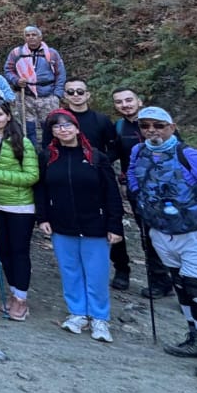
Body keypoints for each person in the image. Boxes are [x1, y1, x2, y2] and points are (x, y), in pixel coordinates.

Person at [126, 106, 197, 382]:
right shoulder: (138, 152)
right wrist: (140, 200)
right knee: (180, 286)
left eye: (158, 125)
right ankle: (194, 338)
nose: (151, 131)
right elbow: (132, 176)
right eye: (145, 126)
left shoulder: (188, 155)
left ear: (172, 127)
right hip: (162, 232)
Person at [37, 110, 123, 343]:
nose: (62, 129)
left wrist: (115, 225)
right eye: (57, 126)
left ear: (76, 128)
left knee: (97, 272)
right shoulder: (48, 157)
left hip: (95, 224)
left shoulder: (95, 157)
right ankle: (77, 312)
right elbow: (41, 189)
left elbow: (112, 193)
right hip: (61, 224)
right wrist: (43, 217)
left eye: (67, 125)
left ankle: (99, 317)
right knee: (70, 270)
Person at [0, 99, 40, 322]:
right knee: (3, 252)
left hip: (19, 206)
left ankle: (21, 298)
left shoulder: (22, 142)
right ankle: (14, 292)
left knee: (18, 252)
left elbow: (31, 176)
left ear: (8, 116)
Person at [60, 80, 128, 290]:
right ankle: (81, 267)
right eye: (71, 92)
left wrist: (98, 161)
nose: (76, 95)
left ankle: (122, 267)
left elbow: (115, 147)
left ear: (88, 95)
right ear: (65, 95)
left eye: (80, 91)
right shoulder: (58, 119)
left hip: (98, 176)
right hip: (68, 177)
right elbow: (48, 147)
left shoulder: (101, 120)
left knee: (110, 220)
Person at [111, 86, 173, 299]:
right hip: (137, 189)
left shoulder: (159, 122)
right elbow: (115, 154)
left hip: (167, 190)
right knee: (148, 234)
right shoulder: (119, 127)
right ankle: (160, 281)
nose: (125, 105)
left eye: (128, 100)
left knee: (169, 234)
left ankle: (180, 280)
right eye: (119, 102)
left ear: (139, 101)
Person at [3, 25, 67, 138]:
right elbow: (8, 70)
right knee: (28, 129)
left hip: (48, 96)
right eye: (28, 35)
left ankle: (49, 148)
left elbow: (60, 74)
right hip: (25, 96)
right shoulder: (17, 53)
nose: (31, 37)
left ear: (40, 37)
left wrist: (57, 95)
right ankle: (31, 148)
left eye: (34, 35)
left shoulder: (51, 53)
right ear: (24, 38)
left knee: (49, 127)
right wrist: (16, 80)